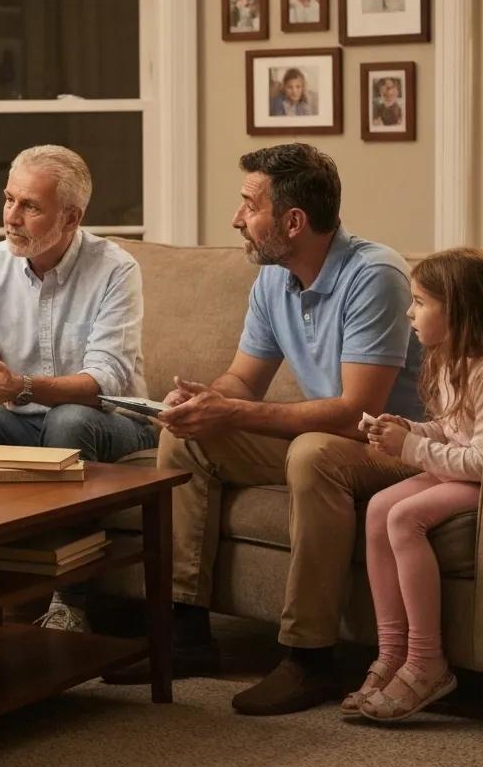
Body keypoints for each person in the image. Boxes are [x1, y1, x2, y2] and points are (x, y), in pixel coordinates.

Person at [106, 143, 424, 715]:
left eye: (249, 205)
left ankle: (309, 660)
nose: (236, 220)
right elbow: (243, 382)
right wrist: (205, 400)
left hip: (401, 446)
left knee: (311, 454)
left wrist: (237, 412)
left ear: (293, 221)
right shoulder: (275, 279)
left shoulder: (376, 275)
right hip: (335, 439)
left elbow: (360, 412)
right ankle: (186, 635)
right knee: (186, 435)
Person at [0, 144, 158, 636]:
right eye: (8, 200)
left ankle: (70, 602)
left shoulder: (115, 269)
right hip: (19, 422)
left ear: (71, 217)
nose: (11, 217)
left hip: (113, 423)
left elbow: (103, 382)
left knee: (68, 420)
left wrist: (19, 386)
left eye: (30, 206)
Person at [341, 249, 483, 722]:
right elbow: (452, 429)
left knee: (403, 516)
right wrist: (411, 430)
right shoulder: (448, 360)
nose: (409, 312)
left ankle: (426, 660)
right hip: (457, 469)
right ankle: (392, 653)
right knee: (378, 508)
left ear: (455, 309)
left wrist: (410, 449)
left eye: (419, 302)